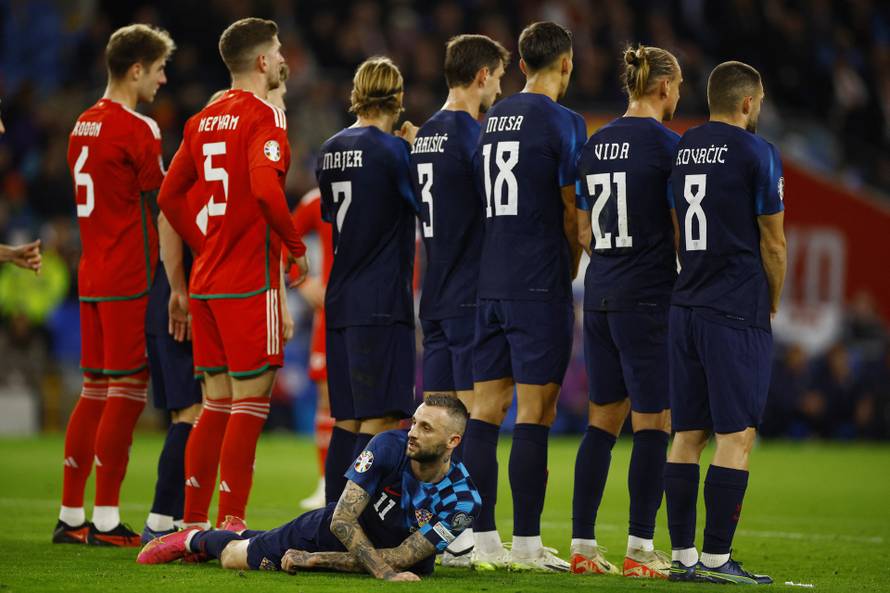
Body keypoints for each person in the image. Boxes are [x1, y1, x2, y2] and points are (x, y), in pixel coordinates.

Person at [157, 17, 308, 530]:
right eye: (278, 47)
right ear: (263, 61)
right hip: (249, 281)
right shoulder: (265, 115)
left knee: (214, 403)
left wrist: (204, 243)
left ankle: (192, 521)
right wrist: (294, 247)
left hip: (207, 283)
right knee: (250, 403)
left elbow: (168, 196)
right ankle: (232, 521)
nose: (283, 54)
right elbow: (267, 190)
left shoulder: (201, 119)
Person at [464, 21, 586, 572]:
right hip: (538, 282)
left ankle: (483, 540)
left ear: (519, 64)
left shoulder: (492, 120)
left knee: (486, 412)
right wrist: (571, 264)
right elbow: (570, 207)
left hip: (490, 280)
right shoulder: (565, 122)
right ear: (565, 64)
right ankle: (528, 546)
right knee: (535, 414)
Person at [136, 396, 480, 582]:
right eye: (415, 421)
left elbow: (404, 556)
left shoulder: (463, 502)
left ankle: (240, 535)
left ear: (453, 441)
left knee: (264, 541)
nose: (413, 432)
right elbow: (343, 521)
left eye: (426, 428)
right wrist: (384, 575)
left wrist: (315, 562)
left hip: (374, 557)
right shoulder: (388, 447)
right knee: (234, 558)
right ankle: (195, 539)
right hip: (330, 534)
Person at [664, 61, 786, 585]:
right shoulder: (758, 152)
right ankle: (716, 560)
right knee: (736, 437)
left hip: (685, 304)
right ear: (747, 103)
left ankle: (684, 559)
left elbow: (675, 225)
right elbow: (774, 243)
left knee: (686, 435)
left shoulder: (684, 147)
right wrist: (772, 301)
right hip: (736, 309)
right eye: (757, 102)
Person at [54, 24, 175, 547]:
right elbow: (165, 198)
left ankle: (70, 514)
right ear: (135, 70)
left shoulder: (81, 123)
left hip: (92, 273)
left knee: (94, 391)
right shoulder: (138, 128)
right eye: (158, 69)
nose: (164, 79)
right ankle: (104, 519)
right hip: (128, 273)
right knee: (125, 395)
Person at [570, 44, 682, 578]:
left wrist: (610, 260)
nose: (677, 96)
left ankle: (582, 548)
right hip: (647, 295)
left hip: (600, 291)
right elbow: (683, 225)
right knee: (654, 419)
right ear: (663, 87)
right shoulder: (668, 147)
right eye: (677, 87)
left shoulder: (596, 142)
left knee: (602, 421)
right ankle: (640, 549)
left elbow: (583, 227)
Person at [314, 57, 420, 506]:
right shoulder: (392, 151)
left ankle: (328, 518)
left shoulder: (328, 150)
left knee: (348, 418)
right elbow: (424, 204)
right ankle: (350, 522)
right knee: (379, 419)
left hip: (340, 298)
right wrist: (415, 150)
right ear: (397, 98)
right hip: (380, 301)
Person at [410, 34, 508, 432]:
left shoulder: (422, 137)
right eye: (499, 77)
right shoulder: (476, 138)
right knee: (469, 420)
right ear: (482, 75)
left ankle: (428, 497)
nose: (500, 88)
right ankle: (467, 496)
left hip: (434, 295)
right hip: (469, 296)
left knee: (433, 421)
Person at [288, 186, 335, 510]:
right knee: (326, 396)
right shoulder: (317, 198)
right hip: (331, 312)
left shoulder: (386, 176)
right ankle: (327, 482)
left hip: (380, 308)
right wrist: (302, 280)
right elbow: (284, 236)